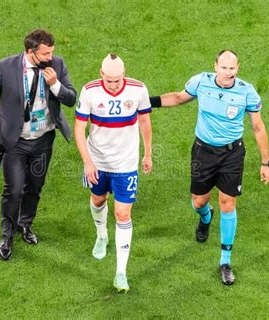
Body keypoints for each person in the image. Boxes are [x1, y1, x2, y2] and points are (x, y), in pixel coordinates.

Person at [149, 50, 269, 285]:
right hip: (203, 152)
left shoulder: (247, 91)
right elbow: (177, 97)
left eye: (233, 68)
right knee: (199, 202)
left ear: (238, 68)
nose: (228, 73)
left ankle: (225, 261)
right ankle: (205, 218)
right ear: (215, 66)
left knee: (228, 202)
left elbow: (258, 127)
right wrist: (149, 102)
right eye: (224, 68)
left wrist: (266, 163)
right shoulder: (201, 82)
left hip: (232, 153)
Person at [0, 29, 77, 260]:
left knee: (34, 187)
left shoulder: (57, 66)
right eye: (45, 53)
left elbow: (71, 98)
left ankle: (25, 224)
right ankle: (7, 235)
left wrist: (55, 85)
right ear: (30, 52)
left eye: (52, 52)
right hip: (14, 143)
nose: (50, 57)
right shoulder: (4, 67)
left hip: (43, 140)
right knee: (14, 190)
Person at [74, 54, 153, 293]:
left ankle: (121, 272)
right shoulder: (89, 91)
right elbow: (80, 129)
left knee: (122, 213)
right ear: (101, 75)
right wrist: (87, 162)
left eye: (118, 80)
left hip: (126, 165)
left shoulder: (138, 89)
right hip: (97, 161)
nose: (114, 85)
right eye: (109, 81)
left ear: (124, 74)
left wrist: (147, 154)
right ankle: (101, 235)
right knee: (98, 200)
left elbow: (145, 122)